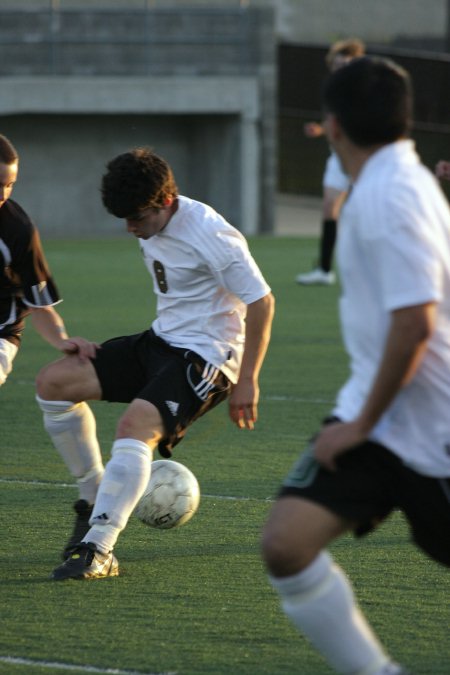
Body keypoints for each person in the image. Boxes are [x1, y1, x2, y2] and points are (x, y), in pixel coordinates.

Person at [262, 56, 450, 675]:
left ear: (333, 125)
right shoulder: (382, 185)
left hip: (430, 425)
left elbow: (415, 323)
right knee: (287, 543)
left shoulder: (391, 195)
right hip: (381, 414)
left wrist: (363, 423)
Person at [36, 147, 275, 581]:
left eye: (137, 219)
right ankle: (94, 499)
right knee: (53, 382)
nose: (130, 229)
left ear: (165, 201)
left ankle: (99, 548)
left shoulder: (208, 233)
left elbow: (261, 302)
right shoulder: (151, 222)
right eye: (123, 219)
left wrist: (248, 381)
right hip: (160, 342)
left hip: (208, 357)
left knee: (134, 427)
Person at [0, 134, 95, 389]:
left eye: (10, 184)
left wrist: (62, 340)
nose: (3, 194)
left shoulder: (18, 232)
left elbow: (40, 306)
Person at [296, 38, 365, 286]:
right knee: (329, 209)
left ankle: (366, 269)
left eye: (346, 63)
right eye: (337, 64)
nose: (341, 68)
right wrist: (320, 129)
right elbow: (335, 123)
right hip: (338, 158)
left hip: (361, 159)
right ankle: (325, 270)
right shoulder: (333, 91)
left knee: (362, 214)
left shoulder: (366, 88)